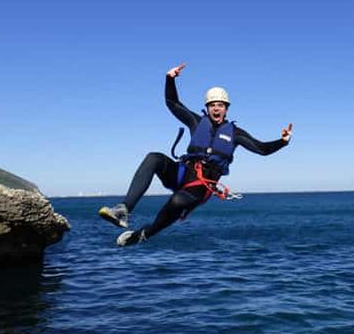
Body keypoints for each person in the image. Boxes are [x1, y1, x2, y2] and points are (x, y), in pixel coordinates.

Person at [98, 63, 293, 246]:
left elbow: (262, 149)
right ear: (207, 108)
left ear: (226, 108)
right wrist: (170, 79)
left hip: (201, 185)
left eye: (221, 105)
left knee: (176, 202)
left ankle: (145, 234)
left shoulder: (235, 134)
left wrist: (283, 141)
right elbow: (172, 103)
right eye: (212, 105)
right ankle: (123, 209)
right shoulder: (197, 122)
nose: (216, 108)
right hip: (182, 172)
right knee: (154, 157)